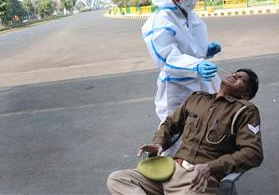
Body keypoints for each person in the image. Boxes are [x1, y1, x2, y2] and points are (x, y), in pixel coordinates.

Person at [107, 69, 263, 195]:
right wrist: (158, 143)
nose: (234, 75)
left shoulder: (245, 110)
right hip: (169, 169)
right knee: (118, 179)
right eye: (234, 73)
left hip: (197, 180)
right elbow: (170, 123)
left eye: (241, 78)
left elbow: (253, 153)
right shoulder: (197, 99)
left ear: (245, 95)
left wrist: (211, 167)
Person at [141, 0, 222, 156]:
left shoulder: (186, 14)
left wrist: (205, 51)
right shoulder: (161, 19)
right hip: (176, 86)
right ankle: (166, 169)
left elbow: (190, 47)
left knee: (200, 123)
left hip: (197, 81)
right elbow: (166, 58)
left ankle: (192, 165)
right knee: (174, 129)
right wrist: (196, 65)